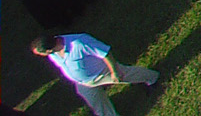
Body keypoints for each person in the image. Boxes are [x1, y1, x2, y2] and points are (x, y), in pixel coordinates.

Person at [33, 32, 161, 116]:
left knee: (128, 75)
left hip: (102, 72)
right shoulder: (53, 54)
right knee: (97, 103)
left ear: (48, 50)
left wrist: (114, 72)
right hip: (83, 83)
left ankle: (152, 78)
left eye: (41, 54)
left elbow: (105, 53)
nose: (41, 56)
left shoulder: (79, 43)